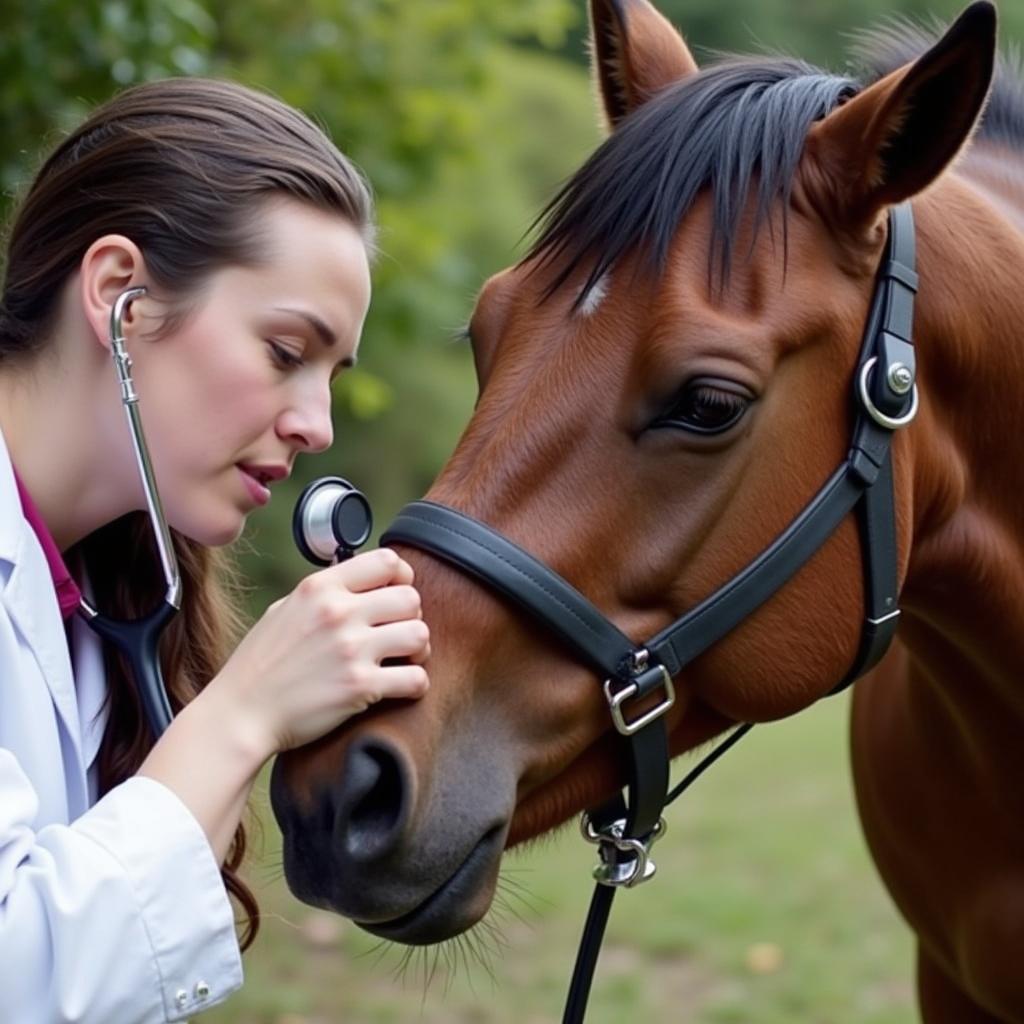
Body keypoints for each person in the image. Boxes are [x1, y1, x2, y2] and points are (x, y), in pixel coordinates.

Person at [0, 77, 431, 1022]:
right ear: (121, 295)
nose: (316, 424)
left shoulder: (102, 601)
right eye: (286, 351)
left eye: (331, 373)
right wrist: (244, 713)